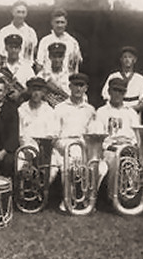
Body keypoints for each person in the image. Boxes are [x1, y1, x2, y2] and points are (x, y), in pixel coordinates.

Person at [50, 73, 98, 211]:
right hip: (64, 146)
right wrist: (67, 149)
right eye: (75, 85)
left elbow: (93, 134)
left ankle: (86, 199)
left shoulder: (90, 110)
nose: (78, 89)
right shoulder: (59, 108)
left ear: (86, 88)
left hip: (83, 146)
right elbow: (54, 135)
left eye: (81, 86)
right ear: (69, 87)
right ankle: (67, 199)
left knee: (95, 166)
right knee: (69, 163)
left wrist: (84, 149)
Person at [96, 78, 140, 191]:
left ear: (124, 93)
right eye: (115, 90)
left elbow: (136, 137)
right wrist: (112, 147)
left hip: (128, 149)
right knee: (116, 159)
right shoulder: (101, 112)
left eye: (121, 91)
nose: (117, 94)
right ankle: (113, 197)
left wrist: (131, 147)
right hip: (110, 150)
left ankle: (133, 197)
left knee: (142, 162)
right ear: (109, 91)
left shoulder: (131, 113)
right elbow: (99, 138)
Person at [17, 78, 57, 179]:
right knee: (19, 166)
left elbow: (51, 134)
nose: (36, 93)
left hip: (44, 151)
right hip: (25, 149)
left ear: (43, 92)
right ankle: (21, 193)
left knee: (52, 171)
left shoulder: (49, 111)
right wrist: (26, 151)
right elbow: (19, 134)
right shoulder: (21, 109)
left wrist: (41, 153)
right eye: (33, 90)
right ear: (29, 91)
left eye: (39, 90)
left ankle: (45, 193)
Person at [101, 46, 143, 122]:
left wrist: (132, 109)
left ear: (134, 60)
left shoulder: (140, 79)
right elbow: (105, 96)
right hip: (115, 112)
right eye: (125, 57)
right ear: (121, 60)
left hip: (133, 113)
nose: (127, 60)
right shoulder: (113, 76)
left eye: (130, 57)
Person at [36, 8, 82, 74]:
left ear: (66, 23)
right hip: (48, 80)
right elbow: (39, 65)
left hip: (67, 80)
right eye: (57, 22)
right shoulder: (45, 41)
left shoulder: (73, 42)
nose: (59, 25)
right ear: (52, 23)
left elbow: (75, 65)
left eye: (62, 22)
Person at [0, 34, 35, 103]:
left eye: (16, 47)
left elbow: (32, 88)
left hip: (20, 103)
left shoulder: (26, 67)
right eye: (11, 47)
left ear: (20, 49)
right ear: (6, 48)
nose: (13, 50)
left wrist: (20, 94)